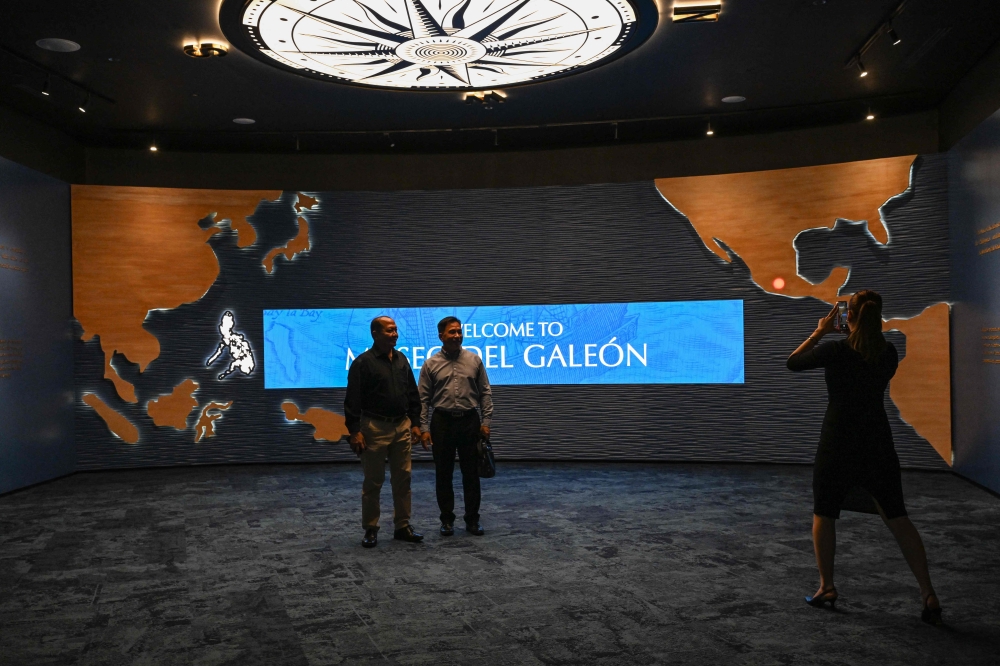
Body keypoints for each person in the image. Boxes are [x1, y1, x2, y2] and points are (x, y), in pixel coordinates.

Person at [786, 290, 942, 625]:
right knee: (897, 516)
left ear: (848, 316)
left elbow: (793, 362)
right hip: (877, 442)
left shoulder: (836, 349)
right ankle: (928, 592)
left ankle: (826, 587)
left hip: (838, 441)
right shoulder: (888, 352)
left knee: (824, 513)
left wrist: (821, 331)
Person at [344, 316, 424, 548]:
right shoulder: (362, 363)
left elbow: (412, 395)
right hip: (374, 428)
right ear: (375, 334)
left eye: (396, 330)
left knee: (403, 479)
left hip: (402, 426)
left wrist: (416, 423)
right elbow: (352, 401)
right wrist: (354, 432)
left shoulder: (401, 360)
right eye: (389, 330)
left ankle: (402, 525)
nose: (395, 334)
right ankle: (371, 528)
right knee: (373, 481)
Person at [418, 316, 493, 536]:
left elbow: (485, 392)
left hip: (470, 422)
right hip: (442, 422)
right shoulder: (430, 364)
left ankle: (472, 520)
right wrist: (423, 428)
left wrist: (486, 421)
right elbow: (422, 399)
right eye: (452, 332)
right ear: (441, 336)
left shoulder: (475, 360)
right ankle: (447, 520)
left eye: (459, 331)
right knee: (444, 474)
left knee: (471, 474)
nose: (457, 335)